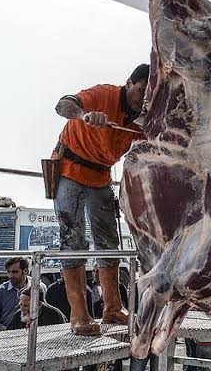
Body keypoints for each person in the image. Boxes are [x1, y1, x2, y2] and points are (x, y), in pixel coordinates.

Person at [51, 64, 148, 335]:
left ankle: (112, 307)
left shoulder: (144, 118)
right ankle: (79, 315)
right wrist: (84, 115)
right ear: (129, 84)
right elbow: (63, 106)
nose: (142, 100)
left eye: (148, 94)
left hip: (101, 176)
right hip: (71, 170)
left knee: (109, 241)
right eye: (141, 91)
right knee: (73, 240)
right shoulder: (103, 95)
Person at [0, 257, 47, 331]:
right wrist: (8, 332)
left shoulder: (38, 288)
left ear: (25, 271)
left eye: (15, 272)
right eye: (8, 272)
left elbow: (46, 311)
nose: (11, 276)